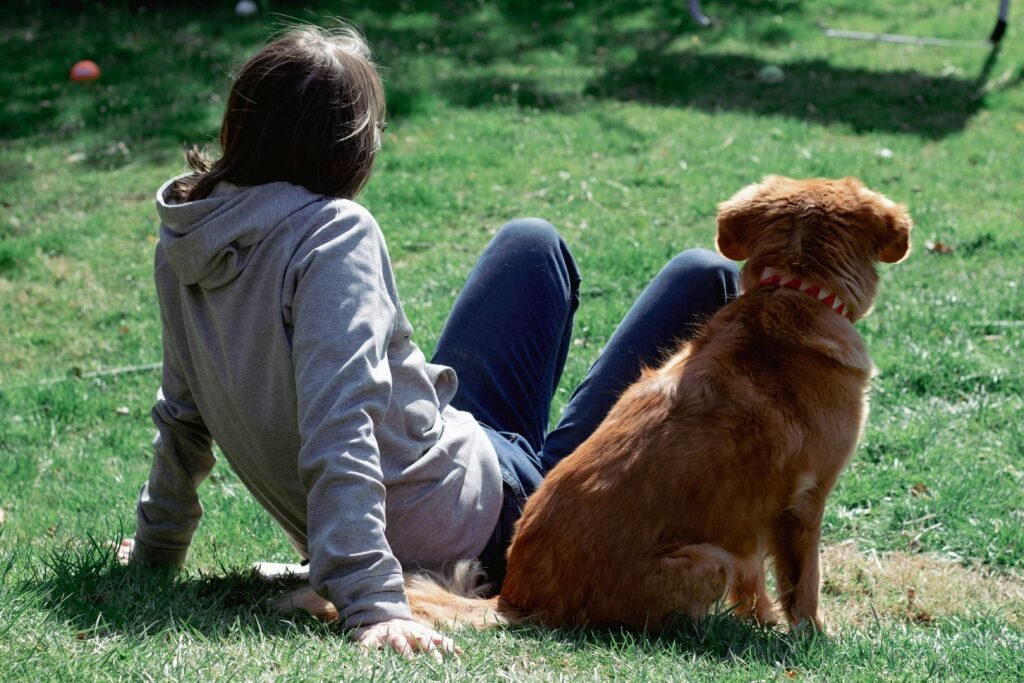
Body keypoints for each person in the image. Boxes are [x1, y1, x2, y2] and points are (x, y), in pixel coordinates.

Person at [123, 24, 739, 660]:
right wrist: (372, 602)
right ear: (344, 149)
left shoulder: (189, 238)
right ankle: (562, 478)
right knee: (708, 277)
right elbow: (342, 421)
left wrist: (156, 551)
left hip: (456, 461)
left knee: (532, 244)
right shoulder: (332, 235)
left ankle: (543, 460)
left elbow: (183, 413)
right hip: (498, 523)